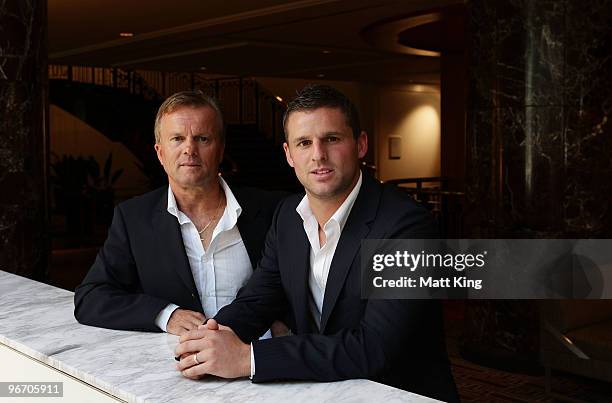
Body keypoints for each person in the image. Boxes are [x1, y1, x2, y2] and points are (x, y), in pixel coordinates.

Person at [175, 85, 459, 402]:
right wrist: (211, 336)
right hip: (324, 389)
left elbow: (376, 347)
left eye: (332, 139)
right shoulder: (287, 216)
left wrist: (249, 358)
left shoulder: (406, 226)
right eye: (304, 142)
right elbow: (259, 299)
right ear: (289, 154)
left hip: (396, 393)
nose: (318, 154)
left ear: (361, 144)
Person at [74, 91, 284, 336]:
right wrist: (165, 314)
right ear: (160, 152)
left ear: (221, 149)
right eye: (177, 139)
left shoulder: (272, 211)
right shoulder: (134, 219)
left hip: (259, 362)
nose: (189, 149)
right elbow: (90, 297)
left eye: (202, 138)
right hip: (177, 366)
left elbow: (300, 288)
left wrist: (284, 322)